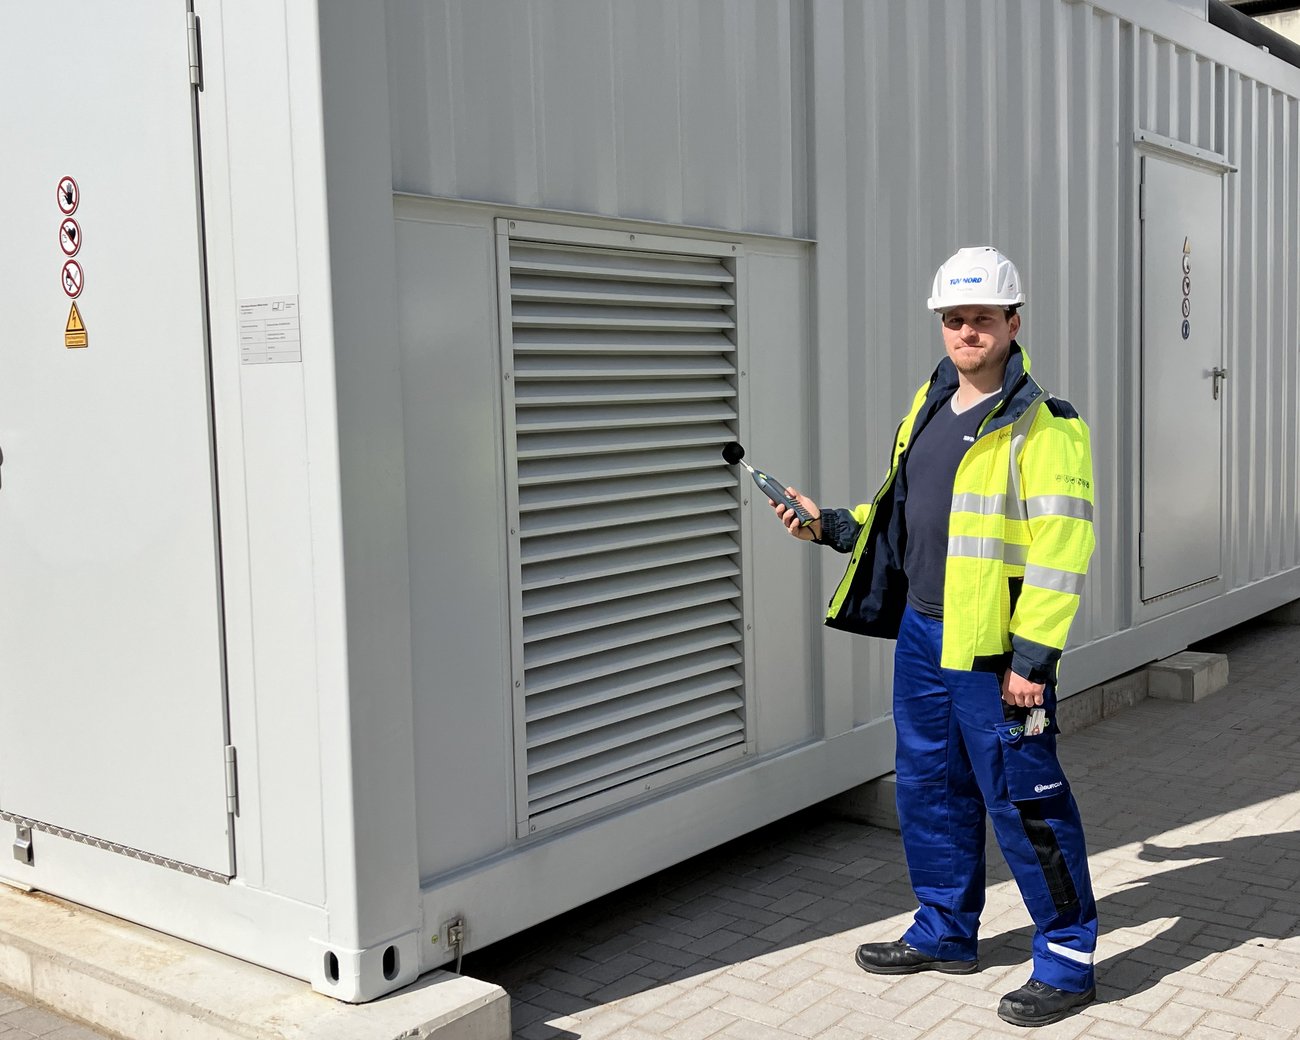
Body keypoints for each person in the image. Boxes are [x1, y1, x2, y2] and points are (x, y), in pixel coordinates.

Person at [771, 247, 1098, 1028]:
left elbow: (1063, 548)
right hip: (923, 638)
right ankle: (947, 931)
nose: (965, 331)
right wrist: (831, 525)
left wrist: (1033, 658)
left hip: (995, 656)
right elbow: (904, 512)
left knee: (1027, 800)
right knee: (928, 788)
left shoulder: (1043, 424)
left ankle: (1068, 959)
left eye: (982, 318)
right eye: (954, 319)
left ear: (1013, 323)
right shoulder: (931, 400)